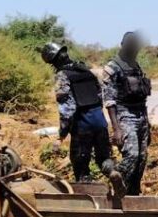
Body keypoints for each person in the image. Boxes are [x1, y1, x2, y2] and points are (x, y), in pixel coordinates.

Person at [40, 42, 124, 193]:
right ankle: (112, 172)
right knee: (104, 158)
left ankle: (86, 196)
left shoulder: (62, 75)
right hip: (100, 121)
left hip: (82, 125)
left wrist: (61, 135)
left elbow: (67, 110)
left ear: (53, 61)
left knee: (80, 164)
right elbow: (100, 95)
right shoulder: (86, 69)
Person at [103, 31, 152, 196]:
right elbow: (109, 101)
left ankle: (133, 192)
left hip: (141, 115)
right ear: (123, 45)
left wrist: (147, 123)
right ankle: (114, 174)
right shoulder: (112, 67)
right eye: (132, 47)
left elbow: (142, 95)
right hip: (125, 115)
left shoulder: (135, 66)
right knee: (132, 155)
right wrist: (116, 129)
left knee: (142, 158)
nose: (135, 50)